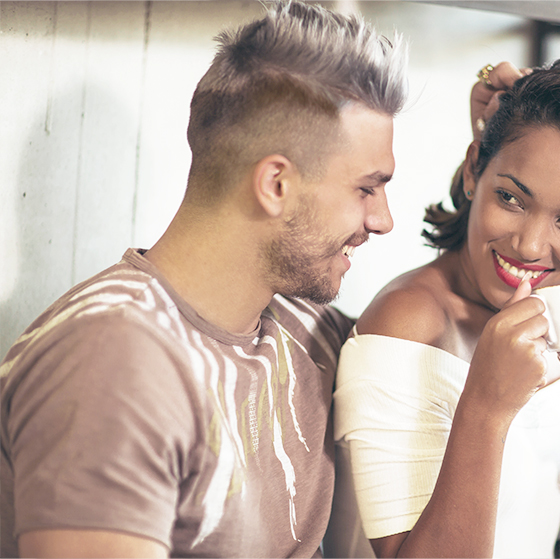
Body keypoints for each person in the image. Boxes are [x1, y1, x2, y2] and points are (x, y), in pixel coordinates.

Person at [0, 1, 408, 557]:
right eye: (366, 188)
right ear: (276, 185)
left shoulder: (305, 328)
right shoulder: (114, 364)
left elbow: (447, 330)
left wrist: (504, 147)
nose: (383, 220)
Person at [332, 59, 560, 558]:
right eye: (511, 198)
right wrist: (488, 406)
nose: (530, 245)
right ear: (475, 168)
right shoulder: (408, 323)